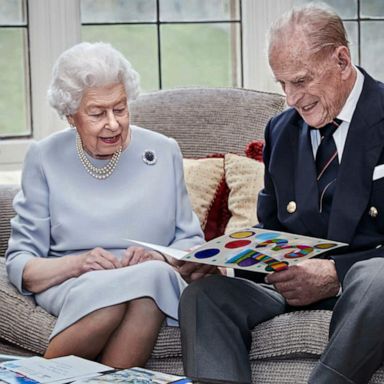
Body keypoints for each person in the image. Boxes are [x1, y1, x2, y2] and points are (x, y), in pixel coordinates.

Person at [179, 4, 384, 384]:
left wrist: (336, 274)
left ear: (342, 59)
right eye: (282, 84)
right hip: (290, 288)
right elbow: (270, 230)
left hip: (365, 287)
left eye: (301, 81)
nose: (291, 98)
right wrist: (223, 263)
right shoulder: (282, 130)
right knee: (204, 297)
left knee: (379, 278)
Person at [5, 41, 212, 369]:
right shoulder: (44, 157)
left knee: (149, 285)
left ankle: (36, 376)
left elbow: (190, 243)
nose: (113, 123)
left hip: (151, 277)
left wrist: (157, 255)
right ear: (71, 116)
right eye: (98, 113)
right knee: (117, 299)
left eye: (120, 108)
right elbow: (21, 263)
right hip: (72, 281)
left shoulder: (163, 151)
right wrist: (79, 264)